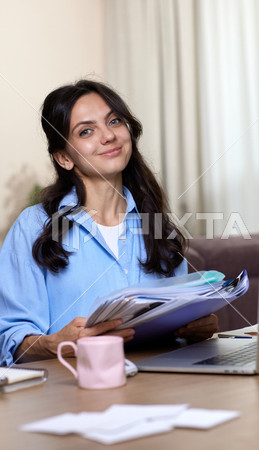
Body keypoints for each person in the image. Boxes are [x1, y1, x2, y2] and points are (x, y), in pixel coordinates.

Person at [0, 80, 218, 366]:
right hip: (72, 391)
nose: (108, 136)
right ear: (64, 157)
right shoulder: (33, 226)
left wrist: (197, 327)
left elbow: (179, 313)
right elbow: (10, 342)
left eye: (114, 121)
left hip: (160, 383)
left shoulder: (156, 224)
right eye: (86, 131)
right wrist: (56, 344)